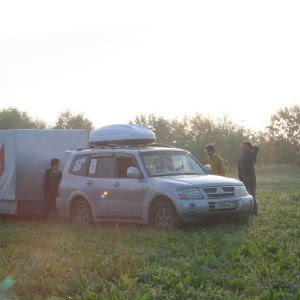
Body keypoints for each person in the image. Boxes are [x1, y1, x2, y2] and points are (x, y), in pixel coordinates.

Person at [238, 141, 259, 216]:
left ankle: (255, 213)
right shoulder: (241, 157)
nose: (244, 148)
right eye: (243, 146)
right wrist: (241, 179)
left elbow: (257, 148)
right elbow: (240, 169)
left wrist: (250, 147)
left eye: (246, 146)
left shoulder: (251, 155)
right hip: (243, 180)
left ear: (249, 148)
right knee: (246, 198)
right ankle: (248, 213)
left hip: (250, 180)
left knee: (252, 197)